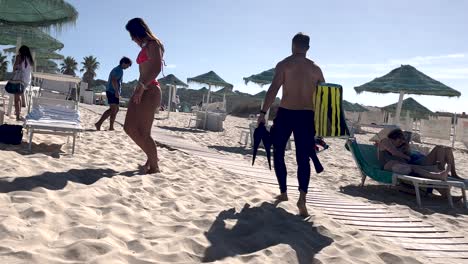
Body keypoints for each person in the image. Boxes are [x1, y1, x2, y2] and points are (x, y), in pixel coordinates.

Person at [257, 32, 325, 217]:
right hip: (307, 116)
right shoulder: (316, 69)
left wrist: (263, 113)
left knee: (278, 152)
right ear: (308, 48)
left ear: (292, 45)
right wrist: (321, 124)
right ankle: (302, 198)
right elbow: (324, 99)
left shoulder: (284, 65)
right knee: (303, 158)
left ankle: (284, 192)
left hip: (286, 113)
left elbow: (273, 89)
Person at [124, 18, 164, 174]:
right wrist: (139, 89)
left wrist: (141, 88)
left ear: (138, 32)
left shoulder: (154, 44)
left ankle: (154, 167)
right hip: (142, 88)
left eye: (132, 34)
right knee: (129, 127)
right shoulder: (147, 45)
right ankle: (152, 158)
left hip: (150, 89)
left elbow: (155, 69)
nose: (132, 38)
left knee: (142, 132)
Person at [378, 129, 452, 181]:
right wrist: (406, 157)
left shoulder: (398, 146)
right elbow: (394, 152)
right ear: (394, 138)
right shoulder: (385, 141)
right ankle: (437, 174)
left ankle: (438, 174)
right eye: (400, 140)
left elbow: (408, 156)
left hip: (398, 165)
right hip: (388, 165)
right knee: (413, 168)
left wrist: (406, 148)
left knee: (415, 167)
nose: (401, 143)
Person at [95, 57, 132, 131]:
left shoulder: (120, 70)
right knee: (113, 109)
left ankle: (111, 127)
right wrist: (116, 91)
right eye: (128, 65)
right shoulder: (118, 70)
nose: (128, 67)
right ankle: (99, 123)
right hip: (111, 91)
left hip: (113, 91)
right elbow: (113, 80)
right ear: (123, 63)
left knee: (116, 109)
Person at [13, 45, 34, 121]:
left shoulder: (19, 57)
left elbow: (14, 67)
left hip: (19, 79)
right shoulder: (30, 59)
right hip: (27, 80)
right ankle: (19, 113)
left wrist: (17, 65)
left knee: (16, 98)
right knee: (20, 96)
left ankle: (18, 116)